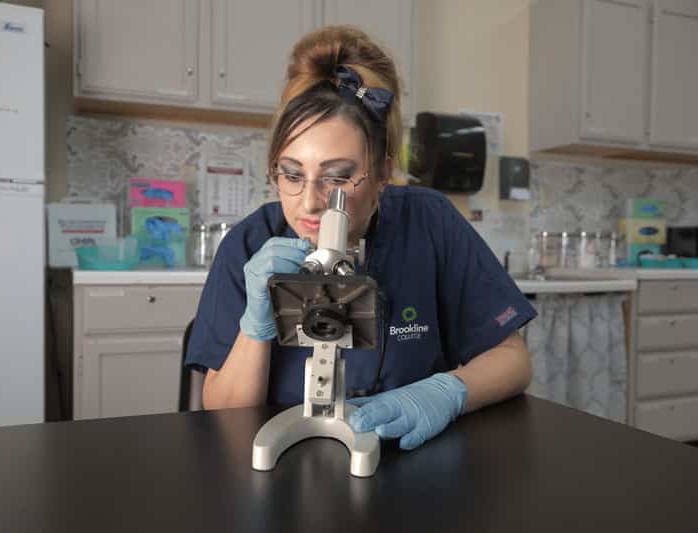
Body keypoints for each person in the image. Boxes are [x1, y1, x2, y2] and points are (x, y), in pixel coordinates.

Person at [185, 26, 537, 451]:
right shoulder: (249, 243)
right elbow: (222, 414)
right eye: (292, 174)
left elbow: (514, 359)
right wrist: (255, 328)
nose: (311, 203)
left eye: (337, 176)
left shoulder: (429, 223)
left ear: (384, 172)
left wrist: (446, 392)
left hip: (410, 461)